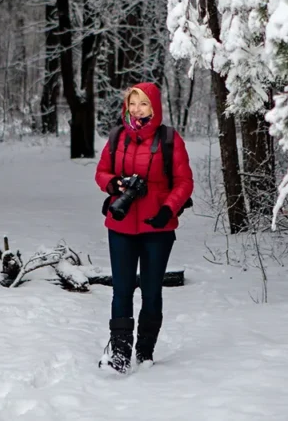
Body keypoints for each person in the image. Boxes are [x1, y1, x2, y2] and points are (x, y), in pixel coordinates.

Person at [94, 81, 193, 373]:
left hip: (157, 229)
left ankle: (145, 350)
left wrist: (167, 209)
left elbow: (185, 182)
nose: (137, 110)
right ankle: (120, 355)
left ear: (154, 107)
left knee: (151, 291)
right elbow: (101, 172)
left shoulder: (170, 140)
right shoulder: (117, 138)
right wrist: (114, 184)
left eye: (144, 104)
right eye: (132, 103)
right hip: (120, 225)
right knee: (121, 290)